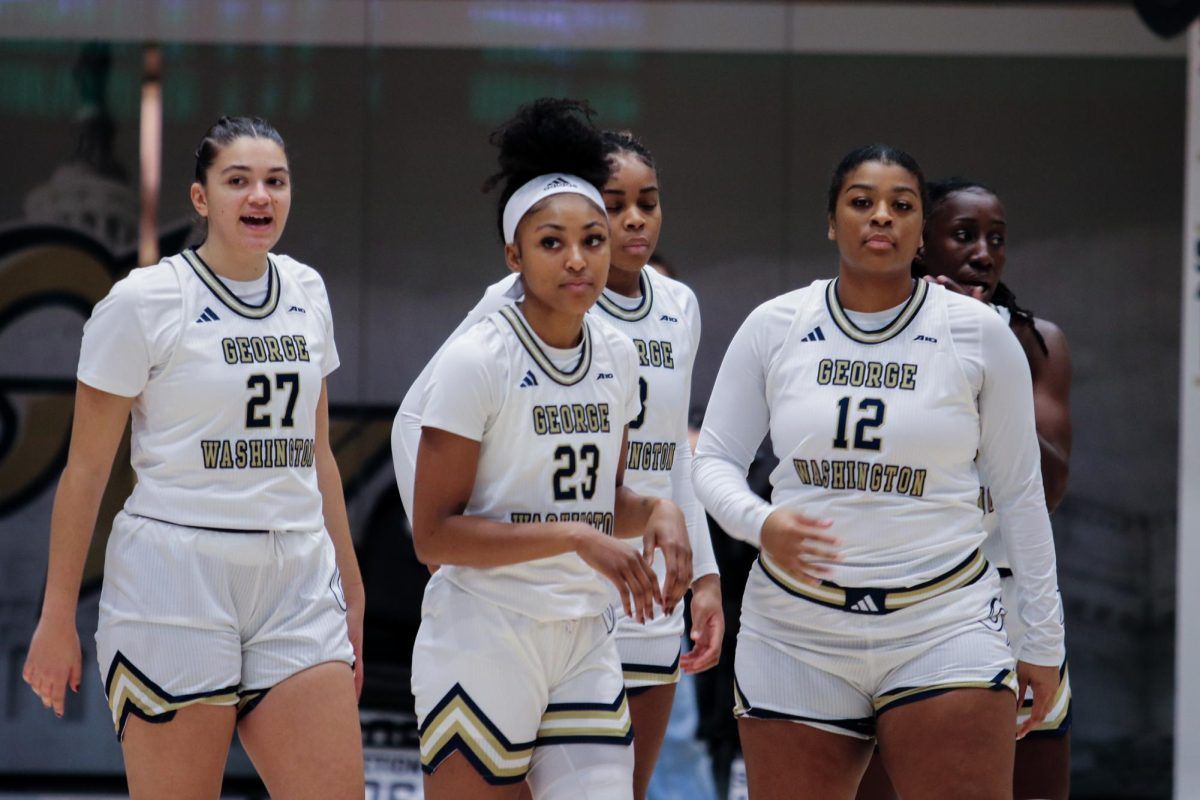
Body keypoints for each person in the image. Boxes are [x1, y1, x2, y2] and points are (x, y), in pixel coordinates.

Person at [692, 144, 1065, 800]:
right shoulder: (775, 326)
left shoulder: (978, 335)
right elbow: (714, 461)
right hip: (796, 630)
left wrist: (1044, 640)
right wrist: (763, 523)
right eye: (861, 203)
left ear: (920, 231)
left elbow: (1020, 495)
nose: (881, 217)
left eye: (902, 205)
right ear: (831, 223)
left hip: (944, 624)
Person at [21, 116, 365, 799]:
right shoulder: (145, 301)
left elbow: (317, 452)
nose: (260, 196)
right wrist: (57, 615)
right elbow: (86, 470)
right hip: (175, 578)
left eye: (276, 181)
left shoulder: (307, 292)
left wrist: (350, 586)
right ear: (201, 199)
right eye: (238, 181)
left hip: (295, 577)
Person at [393, 127, 722, 800]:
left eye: (591, 241)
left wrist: (660, 509)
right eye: (552, 243)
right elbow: (433, 536)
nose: (577, 260)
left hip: (583, 635)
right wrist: (574, 536)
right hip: (486, 633)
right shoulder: (477, 358)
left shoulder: (618, 355)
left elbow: (604, 499)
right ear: (513, 254)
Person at [919, 178, 1073, 799]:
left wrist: (990, 352)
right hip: (915, 599)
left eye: (997, 240)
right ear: (921, 246)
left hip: (1010, 599)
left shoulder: (1036, 342)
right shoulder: (882, 335)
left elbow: (1053, 483)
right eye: (963, 236)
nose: (984, 253)